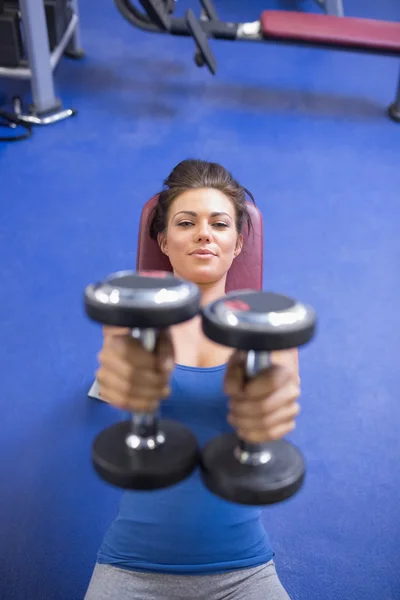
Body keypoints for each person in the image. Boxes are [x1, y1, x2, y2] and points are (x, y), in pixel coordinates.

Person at [85, 159, 301, 600]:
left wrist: (271, 401)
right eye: (187, 223)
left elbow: (280, 399)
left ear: (238, 244)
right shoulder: (131, 324)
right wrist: (118, 375)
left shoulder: (270, 332)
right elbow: (118, 378)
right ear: (163, 241)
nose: (204, 233)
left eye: (219, 224)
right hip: (132, 565)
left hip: (244, 570)